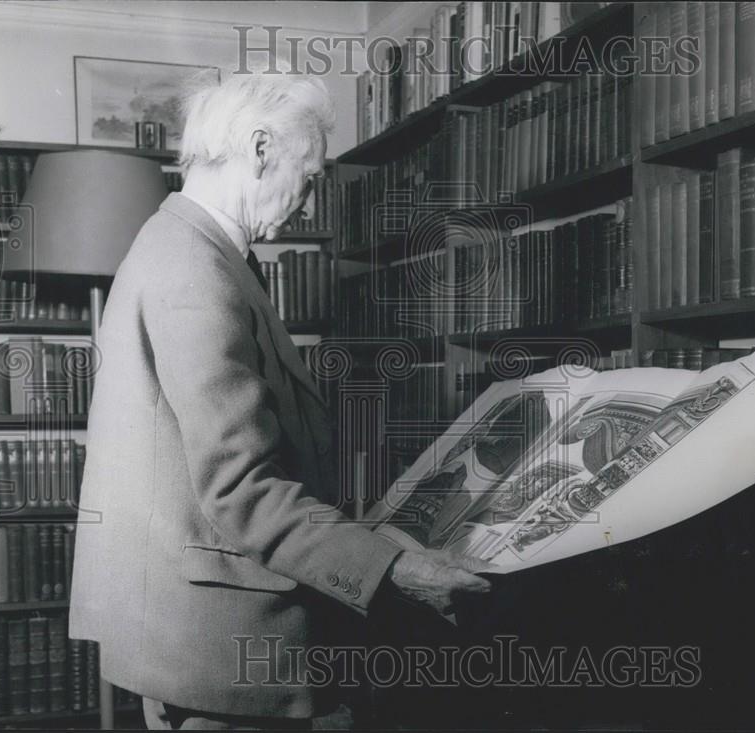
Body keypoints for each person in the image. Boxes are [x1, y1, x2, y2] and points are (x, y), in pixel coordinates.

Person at [68, 73, 492, 730]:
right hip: (221, 649)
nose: (309, 197)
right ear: (261, 148)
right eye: (310, 171)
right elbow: (242, 488)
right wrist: (396, 566)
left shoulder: (189, 247)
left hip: (203, 636)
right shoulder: (194, 269)